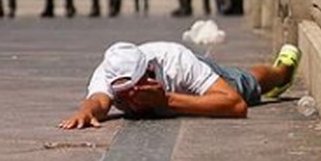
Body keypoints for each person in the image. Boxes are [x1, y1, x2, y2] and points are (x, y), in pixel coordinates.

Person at [58, 41, 301, 129]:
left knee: (245, 84)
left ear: (149, 73)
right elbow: (98, 101)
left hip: (192, 78)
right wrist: (85, 112)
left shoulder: (176, 62)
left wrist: (167, 101)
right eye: (123, 96)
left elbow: (236, 106)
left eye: (135, 91)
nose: (130, 102)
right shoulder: (109, 72)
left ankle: (282, 72)